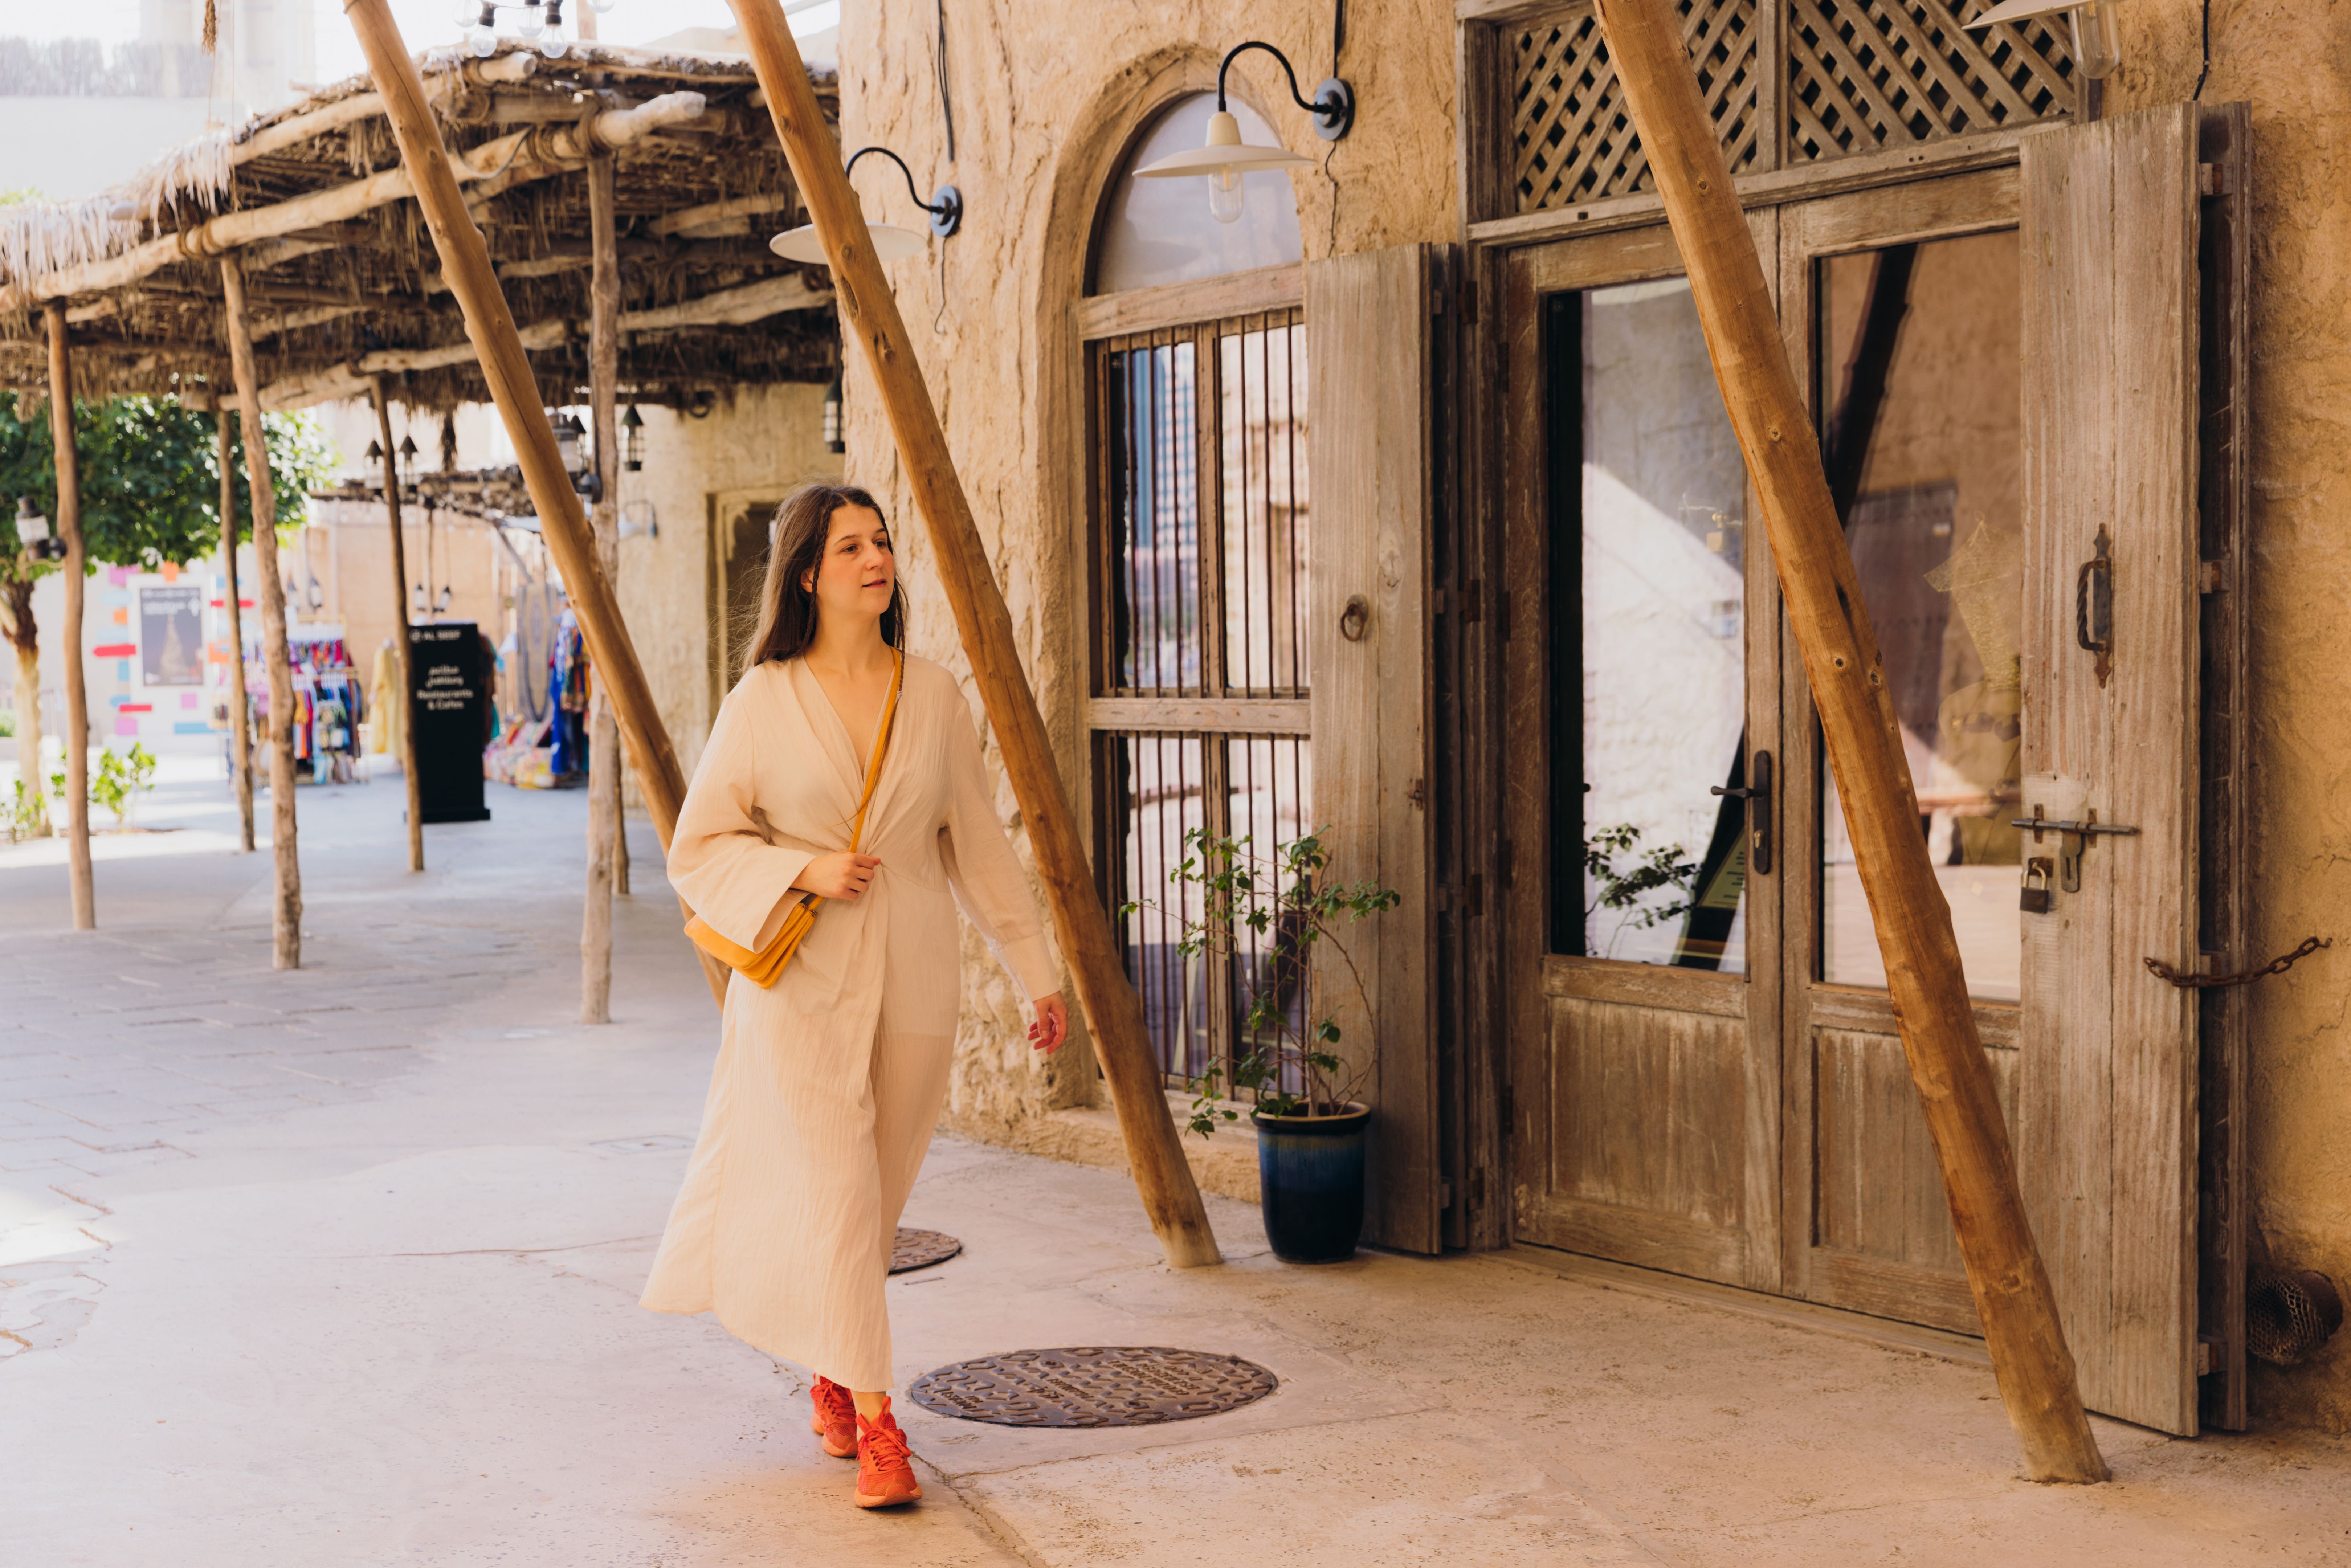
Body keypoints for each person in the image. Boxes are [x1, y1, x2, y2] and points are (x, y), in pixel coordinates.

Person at [640, 481, 1069, 1510]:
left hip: (915, 982)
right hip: (801, 996)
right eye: (850, 547)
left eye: (881, 542)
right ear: (807, 575)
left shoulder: (934, 696)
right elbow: (698, 848)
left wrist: (1036, 972)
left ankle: (834, 1368)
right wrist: (802, 869)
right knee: (837, 1192)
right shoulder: (762, 701)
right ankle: (881, 1428)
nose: (876, 559)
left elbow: (976, 845)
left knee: (870, 1204)